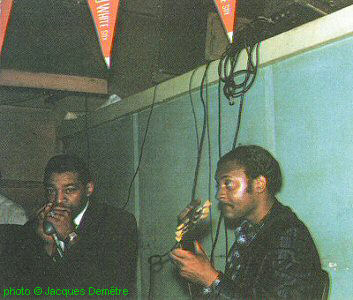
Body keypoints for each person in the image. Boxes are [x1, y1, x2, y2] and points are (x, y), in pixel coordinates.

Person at [170, 145, 324, 299]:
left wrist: (211, 279)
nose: (219, 195)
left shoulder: (288, 235)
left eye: (228, 184)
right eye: (219, 186)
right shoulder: (252, 231)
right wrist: (186, 237)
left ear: (259, 184)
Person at [2, 154, 137, 298]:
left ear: (88, 189)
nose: (58, 200)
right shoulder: (36, 226)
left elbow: (111, 288)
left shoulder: (117, 223)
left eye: (69, 190)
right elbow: (23, 290)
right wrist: (48, 247)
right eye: (51, 191)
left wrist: (70, 237)